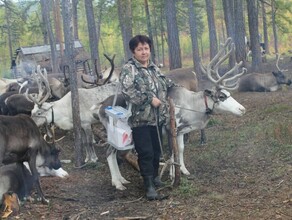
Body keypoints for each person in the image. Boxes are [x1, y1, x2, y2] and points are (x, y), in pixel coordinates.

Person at [119, 35, 176, 200]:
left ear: (150, 49)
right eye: (139, 49)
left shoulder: (154, 68)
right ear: (133, 51)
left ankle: (156, 177)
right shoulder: (129, 69)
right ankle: (148, 185)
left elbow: (166, 83)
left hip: (157, 118)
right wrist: (149, 99)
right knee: (146, 152)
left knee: (157, 150)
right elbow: (128, 92)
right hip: (140, 120)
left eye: (146, 48)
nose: (143, 52)